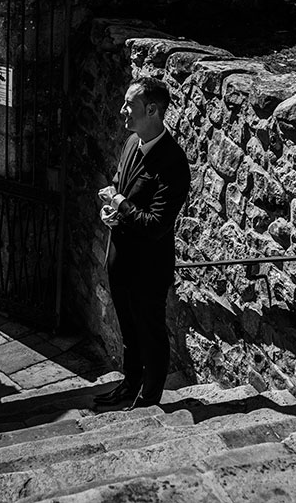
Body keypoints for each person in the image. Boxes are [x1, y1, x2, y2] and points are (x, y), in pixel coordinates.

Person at [95, 76, 191, 409]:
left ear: (152, 110)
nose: (122, 111)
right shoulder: (131, 143)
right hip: (120, 259)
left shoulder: (174, 163)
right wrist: (112, 210)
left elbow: (155, 225)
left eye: (129, 105)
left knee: (150, 333)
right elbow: (121, 187)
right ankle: (129, 385)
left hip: (148, 269)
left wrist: (120, 203)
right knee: (128, 331)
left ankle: (149, 400)